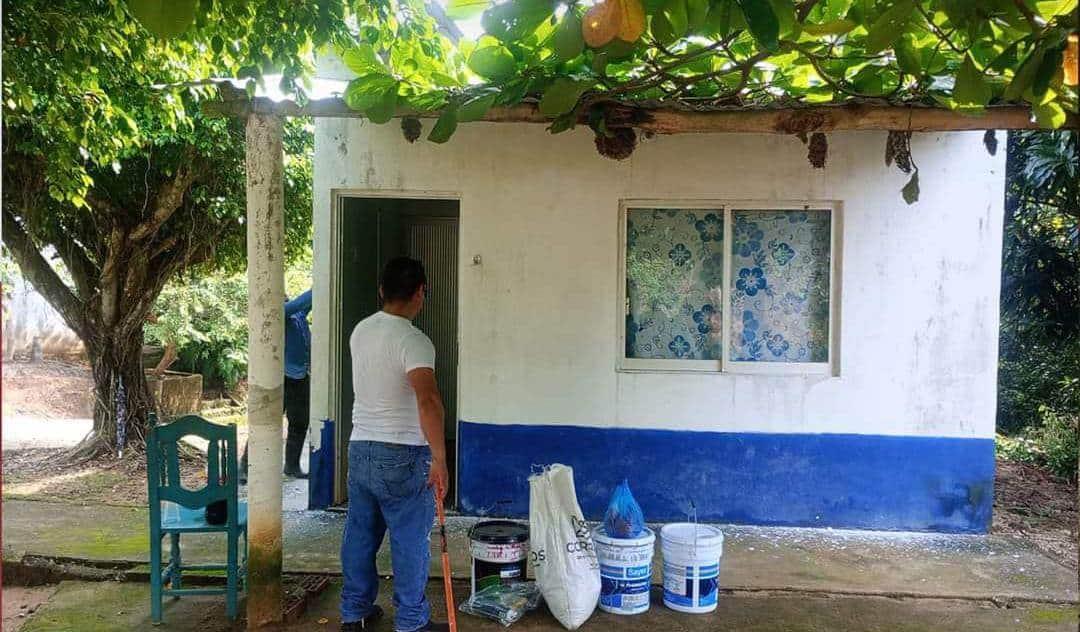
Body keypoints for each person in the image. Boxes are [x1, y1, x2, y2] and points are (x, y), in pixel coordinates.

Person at [339, 257, 449, 632]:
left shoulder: (360, 331)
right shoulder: (413, 341)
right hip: (402, 452)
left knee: (360, 534)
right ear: (420, 293)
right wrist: (440, 458)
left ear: (382, 290)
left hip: (361, 447)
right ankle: (411, 621)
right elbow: (429, 401)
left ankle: (354, 612)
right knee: (409, 540)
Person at [241, 288, 312, 481]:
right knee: (266, 422)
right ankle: (245, 467)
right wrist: (319, 286)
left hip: (300, 375)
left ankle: (292, 466)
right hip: (280, 376)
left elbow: (305, 305)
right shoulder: (278, 312)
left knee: (300, 422)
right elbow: (300, 302)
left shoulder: (297, 314)